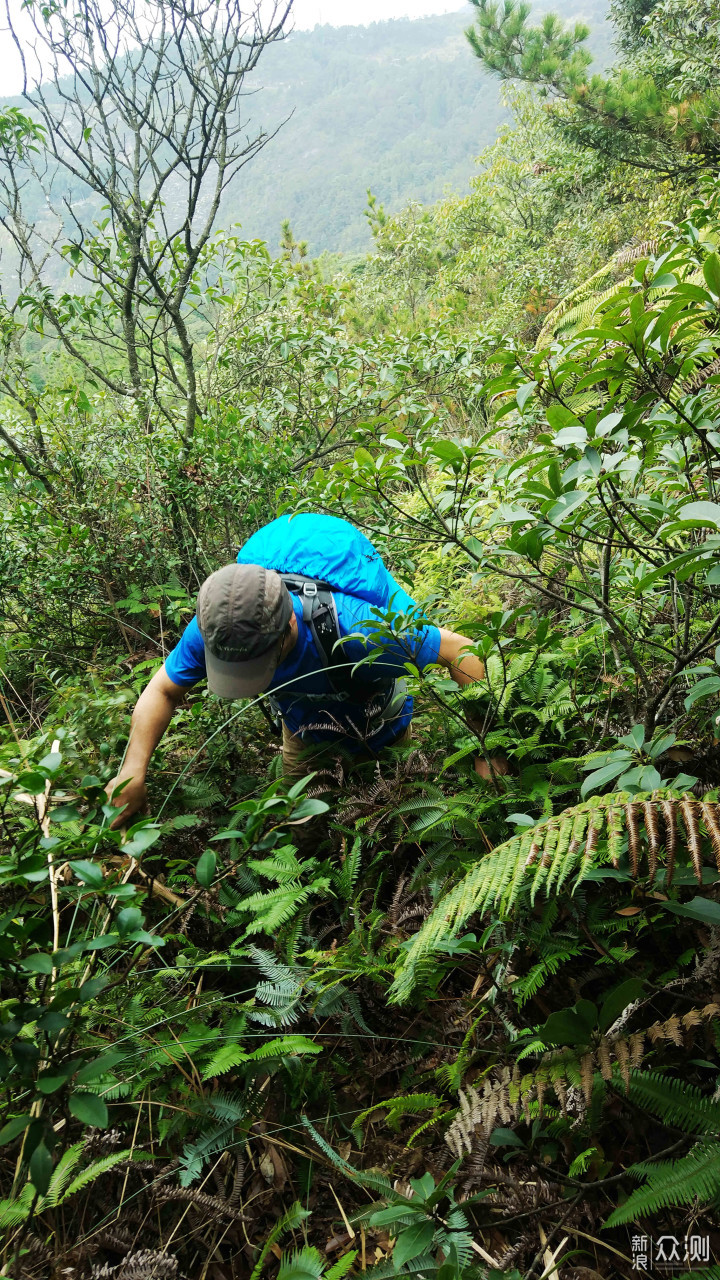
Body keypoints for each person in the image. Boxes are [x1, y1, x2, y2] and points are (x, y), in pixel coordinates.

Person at [106, 513, 491, 827]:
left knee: (403, 819)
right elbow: (163, 690)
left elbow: (461, 650)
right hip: (302, 729)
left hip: (381, 721)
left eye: (260, 664)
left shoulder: (361, 631)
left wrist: (487, 748)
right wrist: (133, 770)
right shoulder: (220, 628)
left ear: (290, 624)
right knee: (301, 828)